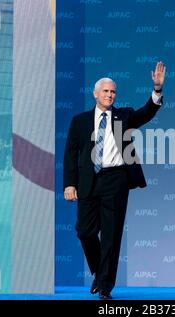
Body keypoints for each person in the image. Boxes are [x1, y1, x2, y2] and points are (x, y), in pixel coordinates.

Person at [63, 61, 166, 299]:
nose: (110, 95)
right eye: (106, 91)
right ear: (95, 94)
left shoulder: (124, 116)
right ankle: (100, 273)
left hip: (116, 180)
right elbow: (70, 154)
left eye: (113, 92)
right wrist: (70, 184)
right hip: (89, 182)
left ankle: (105, 287)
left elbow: (146, 112)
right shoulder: (79, 121)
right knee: (85, 232)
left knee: (111, 235)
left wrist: (157, 90)